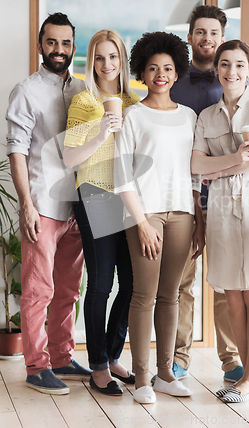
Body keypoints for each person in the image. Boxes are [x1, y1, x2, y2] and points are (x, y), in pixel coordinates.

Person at [191, 39, 249, 402]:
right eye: (225, 64)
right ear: (216, 69)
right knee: (232, 295)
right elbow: (196, 166)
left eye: (239, 65)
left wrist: (219, 167)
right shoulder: (206, 117)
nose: (232, 72)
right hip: (221, 209)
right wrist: (233, 159)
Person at [114, 31, 205, 404]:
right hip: (145, 214)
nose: (161, 74)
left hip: (182, 212)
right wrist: (141, 222)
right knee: (143, 296)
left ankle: (166, 373)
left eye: (167, 68)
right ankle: (142, 380)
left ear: (177, 71)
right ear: (142, 72)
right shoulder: (133, 115)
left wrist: (198, 216)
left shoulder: (189, 116)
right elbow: (121, 175)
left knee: (171, 297)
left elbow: (195, 172)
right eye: (153, 68)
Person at [6, 12, 91, 395]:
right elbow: (17, 152)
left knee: (69, 290)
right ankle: (37, 365)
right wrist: (25, 204)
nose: (59, 50)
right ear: (40, 44)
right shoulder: (26, 91)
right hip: (42, 203)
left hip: (77, 205)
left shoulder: (82, 90)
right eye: (52, 42)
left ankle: (61, 356)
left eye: (66, 43)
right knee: (39, 289)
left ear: (74, 46)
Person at [168, 5, 243, 384]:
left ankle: (232, 361)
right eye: (200, 32)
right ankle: (178, 359)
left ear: (222, 36)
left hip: (224, 198)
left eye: (214, 32)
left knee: (224, 280)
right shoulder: (172, 81)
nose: (207, 39)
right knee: (182, 282)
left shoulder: (233, 84)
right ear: (190, 36)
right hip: (180, 197)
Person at [63, 30, 140, 395]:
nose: (107, 65)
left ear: (122, 59)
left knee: (132, 282)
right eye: (99, 57)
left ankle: (112, 355)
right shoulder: (85, 101)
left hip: (127, 197)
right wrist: (100, 133)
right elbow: (69, 158)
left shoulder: (133, 100)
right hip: (94, 194)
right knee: (101, 284)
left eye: (113, 57)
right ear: (90, 61)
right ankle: (97, 367)